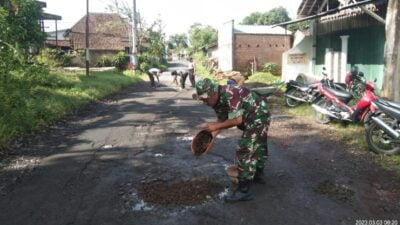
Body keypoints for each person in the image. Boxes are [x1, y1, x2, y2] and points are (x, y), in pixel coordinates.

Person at [194, 78, 271, 203]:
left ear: (213, 93)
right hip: (250, 116)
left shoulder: (230, 94)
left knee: (245, 149)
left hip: (258, 115)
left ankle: (243, 191)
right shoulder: (216, 101)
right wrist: (211, 137)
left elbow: (236, 120)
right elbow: (221, 119)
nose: (205, 102)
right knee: (258, 144)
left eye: (205, 99)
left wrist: (214, 127)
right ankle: (258, 175)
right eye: (202, 99)